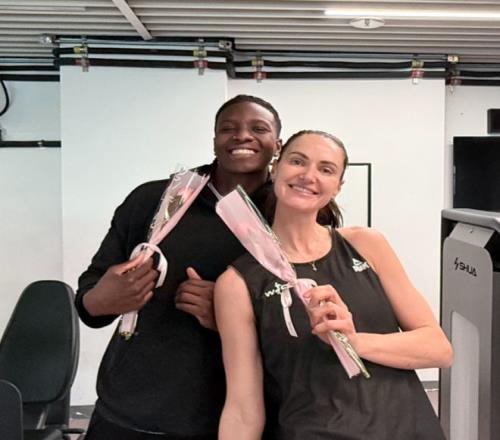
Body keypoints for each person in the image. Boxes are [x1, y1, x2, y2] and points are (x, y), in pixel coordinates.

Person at [215, 129, 453, 440]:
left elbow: (438, 349)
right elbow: (243, 409)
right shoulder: (237, 283)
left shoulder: (366, 245)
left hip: (408, 430)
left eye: (326, 169)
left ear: (338, 186)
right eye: (297, 161)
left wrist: (352, 342)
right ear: (275, 169)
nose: (308, 176)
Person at [75, 95, 283, 440]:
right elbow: (89, 299)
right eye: (228, 128)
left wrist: (233, 317)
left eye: (258, 129)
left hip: (232, 420)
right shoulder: (156, 201)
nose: (242, 135)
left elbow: (300, 324)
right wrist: (103, 298)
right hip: (129, 411)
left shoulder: (289, 216)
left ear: (277, 144)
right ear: (214, 140)